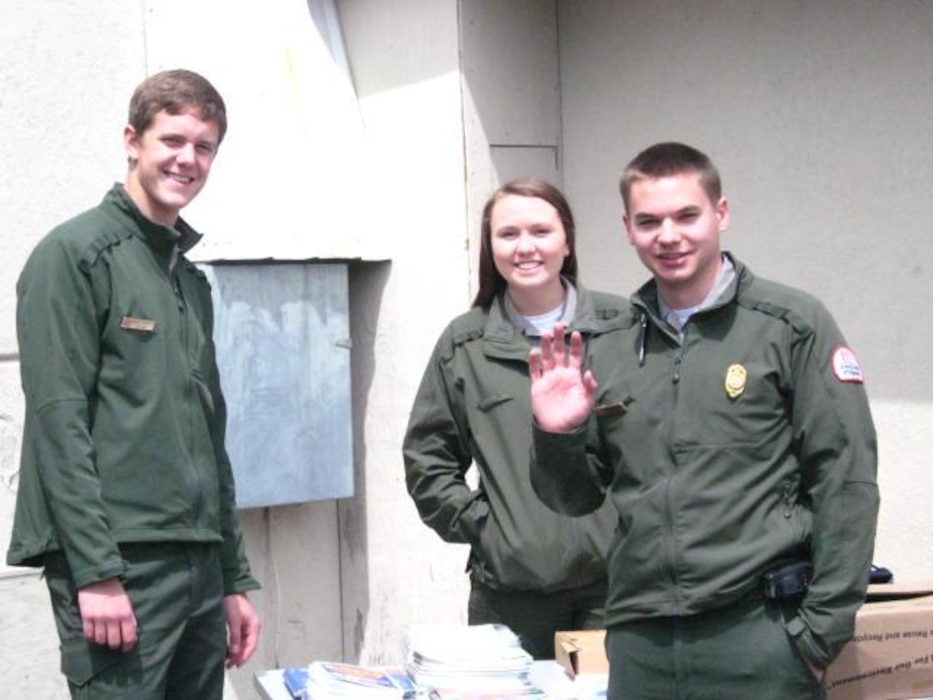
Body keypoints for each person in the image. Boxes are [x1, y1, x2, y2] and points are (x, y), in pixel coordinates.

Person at [529, 142, 879, 698]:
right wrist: (557, 433)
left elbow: (846, 481)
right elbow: (574, 498)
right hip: (641, 641)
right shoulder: (610, 342)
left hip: (759, 637)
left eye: (686, 215)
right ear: (627, 228)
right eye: (649, 221)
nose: (668, 236)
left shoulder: (789, 325)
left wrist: (819, 636)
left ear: (720, 213)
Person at [7, 69, 261, 698]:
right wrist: (95, 571)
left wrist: (231, 577)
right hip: (122, 564)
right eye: (172, 139)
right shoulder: (74, 256)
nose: (188, 159)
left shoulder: (188, 282)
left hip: (198, 564)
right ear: (132, 140)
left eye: (204, 147)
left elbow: (211, 436)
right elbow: (57, 423)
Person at [402, 178, 626, 659]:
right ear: (491, 247)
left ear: (567, 240)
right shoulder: (466, 343)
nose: (525, 247)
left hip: (615, 593)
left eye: (541, 231)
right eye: (508, 234)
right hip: (511, 596)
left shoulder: (623, 326)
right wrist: (488, 531)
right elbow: (427, 460)